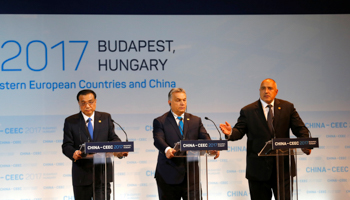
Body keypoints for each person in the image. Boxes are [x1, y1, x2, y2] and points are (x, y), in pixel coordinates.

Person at [220, 78, 312, 200]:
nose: (266, 91)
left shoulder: (287, 107)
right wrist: (231, 132)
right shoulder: (248, 111)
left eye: (270, 88)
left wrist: (305, 143)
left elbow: (301, 129)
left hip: (283, 170)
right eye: (263, 88)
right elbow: (239, 131)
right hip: (258, 171)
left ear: (276, 91)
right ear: (259, 91)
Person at [153, 88, 220, 200]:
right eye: (178, 100)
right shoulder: (160, 121)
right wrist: (167, 150)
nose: (182, 103)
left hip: (191, 177)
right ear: (169, 102)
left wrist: (211, 148)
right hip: (168, 176)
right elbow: (158, 139)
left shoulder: (195, 120)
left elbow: (205, 137)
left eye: (184, 100)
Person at [62, 89, 127, 200]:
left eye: (90, 102)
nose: (87, 105)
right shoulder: (71, 121)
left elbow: (113, 138)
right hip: (82, 175)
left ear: (95, 102)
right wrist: (73, 153)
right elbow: (66, 145)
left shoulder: (105, 118)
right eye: (83, 103)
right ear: (79, 103)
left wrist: (119, 149)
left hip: (102, 173)